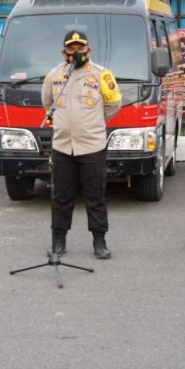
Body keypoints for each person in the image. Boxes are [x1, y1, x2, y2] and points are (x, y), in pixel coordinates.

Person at [41, 31, 122, 259]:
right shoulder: (54, 76)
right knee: (61, 197)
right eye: (71, 48)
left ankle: (99, 241)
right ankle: (58, 241)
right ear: (64, 52)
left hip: (92, 146)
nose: (76, 52)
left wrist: (95, 123)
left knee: (95, 196)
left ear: (89, 50)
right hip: (62, 147)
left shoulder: (101, 75)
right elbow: (47, 102)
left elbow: (114, 104)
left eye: (81, 48)